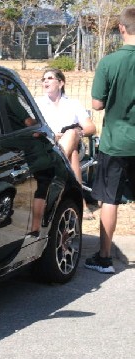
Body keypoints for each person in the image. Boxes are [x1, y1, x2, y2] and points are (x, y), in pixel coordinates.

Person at [85, 5, 135, 274]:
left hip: (116, 142)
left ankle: (104, 258)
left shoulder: (109, 62)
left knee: (110, 200)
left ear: (121, 28)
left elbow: (97, 103)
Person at [35, 68, 97, 220]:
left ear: (60, 83)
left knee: (71, 135)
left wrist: (78, 133)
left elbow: (91, 127)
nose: (45, 82)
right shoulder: (38, 104)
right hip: (49, 143)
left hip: (70, 143)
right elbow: (33, 129)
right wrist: (52, 135)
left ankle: (55, 166)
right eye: (43, 79)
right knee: (72, 155)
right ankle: (80, 202)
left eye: (49, 78)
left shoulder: (72, 104)